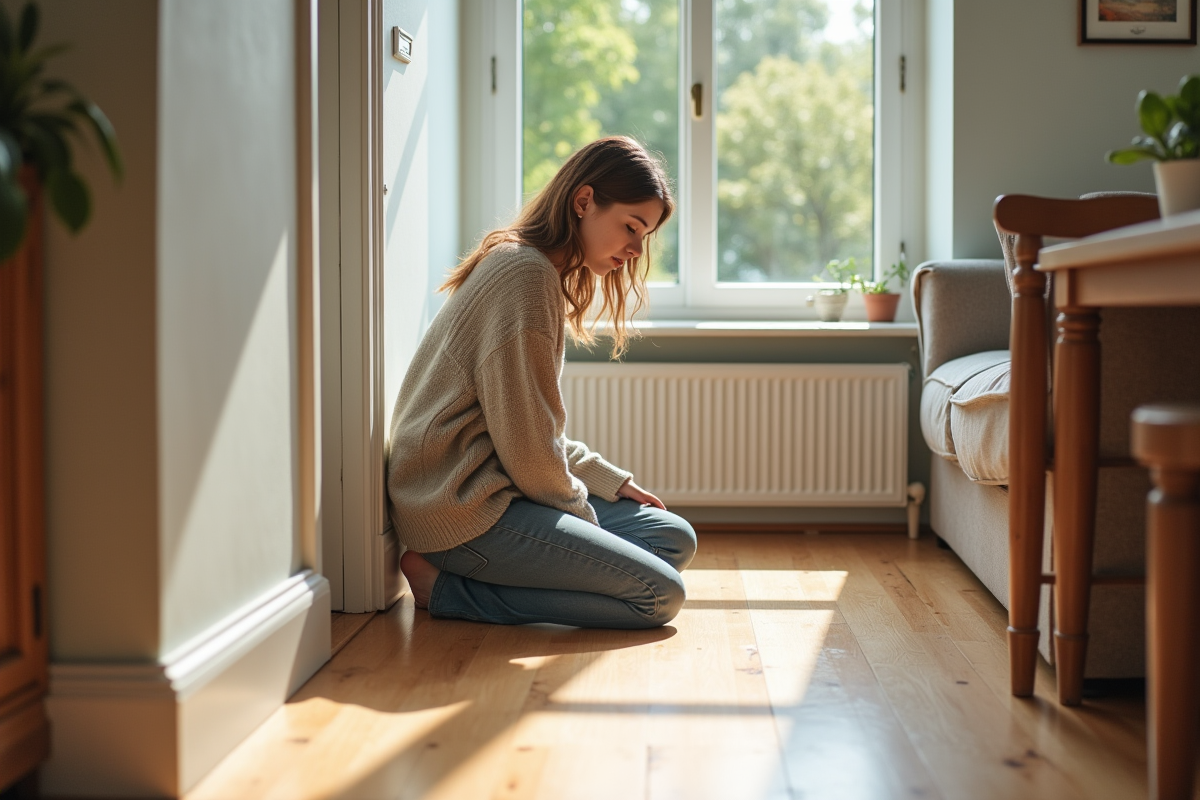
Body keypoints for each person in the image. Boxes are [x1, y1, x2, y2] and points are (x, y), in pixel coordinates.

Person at [386, 136, 696, 629]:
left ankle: (516, 572)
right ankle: (445, 587)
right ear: (583, 202)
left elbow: (530, 425)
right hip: (462, 509)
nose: (636, 250)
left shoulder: (532, 267)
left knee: (672, 537)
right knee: (657, 596)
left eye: (646, 235)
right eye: (631, 227)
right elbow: (529, 449)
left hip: (499, 487)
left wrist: (608, 481)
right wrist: (584, 520)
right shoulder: (524, 277)